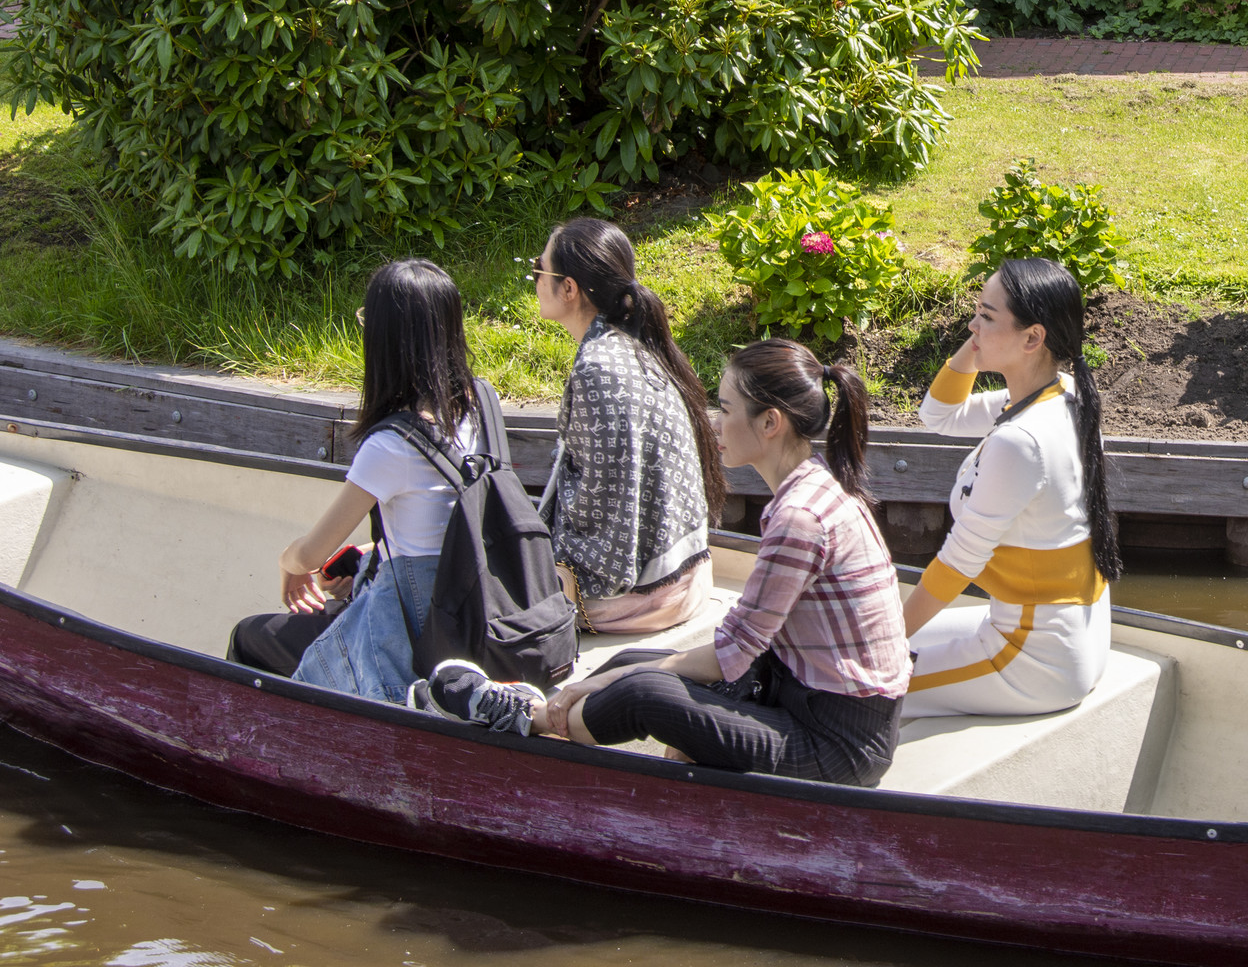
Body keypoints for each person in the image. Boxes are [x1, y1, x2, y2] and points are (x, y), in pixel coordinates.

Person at [417, 339, 910, 787]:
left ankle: (528, 719)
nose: (715, 422)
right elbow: (745, 646)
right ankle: (555, 713)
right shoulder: (813, 486)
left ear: (769, 423)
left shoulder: (800, 518)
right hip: (798, 695)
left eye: (726, 408)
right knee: (635, 662)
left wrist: (611, 682)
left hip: (837, 743)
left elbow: (730, 655)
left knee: (643, 692)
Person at [227, 259, 485, 703]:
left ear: (385, 338)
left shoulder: (393, 445)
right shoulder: (479, 406)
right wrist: (369, 555)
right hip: (474, 605)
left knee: (250, 636)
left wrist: (290, 566)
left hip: (418, 629)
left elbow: (310, 552)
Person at [899, 257, 1123, 718]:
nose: (971, 325)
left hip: (1032, 659)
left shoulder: (1021, 440)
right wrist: (981, 341)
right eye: (975, 311)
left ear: (1033, 337)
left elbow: (957, 563)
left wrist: (887, 639)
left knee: (848, 681)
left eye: (985, 316)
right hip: (1062, 635)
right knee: (849, 643)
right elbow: (938, 415)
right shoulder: (1059, 394)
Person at [531, 218, 729, 634]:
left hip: (638, 600)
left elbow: (605, 529)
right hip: (685, 579)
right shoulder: (638, 346)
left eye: (539, 268)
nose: (533, 278)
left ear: (568, 288)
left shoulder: (597, 368)